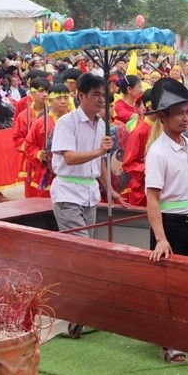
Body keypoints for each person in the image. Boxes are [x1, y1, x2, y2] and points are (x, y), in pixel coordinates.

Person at [50, 73, 126, 339]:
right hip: (68, 193)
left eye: (103, 95)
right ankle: (77, 314)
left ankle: (83, 312)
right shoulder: (66, 123)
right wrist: (99, 151)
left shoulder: (102, 124)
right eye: (95, 94)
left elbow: (101, 164)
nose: (100, 100)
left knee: (88, 254)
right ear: (79, 96)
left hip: (91, 194)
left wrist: (111, 190)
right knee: (83, 253)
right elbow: (69, 158)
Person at [145, 78, 188, 365]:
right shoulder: (157, 152)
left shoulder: (187, 145)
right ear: (163, 117)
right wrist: (160, 238)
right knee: (167, 288)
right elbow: (153, 199)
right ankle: (168, 342)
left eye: (186, 111)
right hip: (169, 225)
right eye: (179, 113)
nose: (185, 118)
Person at [24, 84, 71, 197]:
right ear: (49, 101)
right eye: (58, 99)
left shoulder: (75, 121)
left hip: (71, 171)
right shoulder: (40, 123)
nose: (63, 101)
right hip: (48, 172)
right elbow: (29, 145)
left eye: (66, 98)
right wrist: (39, 154)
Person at [122, 89, 155, 206]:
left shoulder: (166, 128)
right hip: (142, 191)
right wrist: (149, 169)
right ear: (150, 107)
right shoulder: (139, 132)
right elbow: (128, 163)